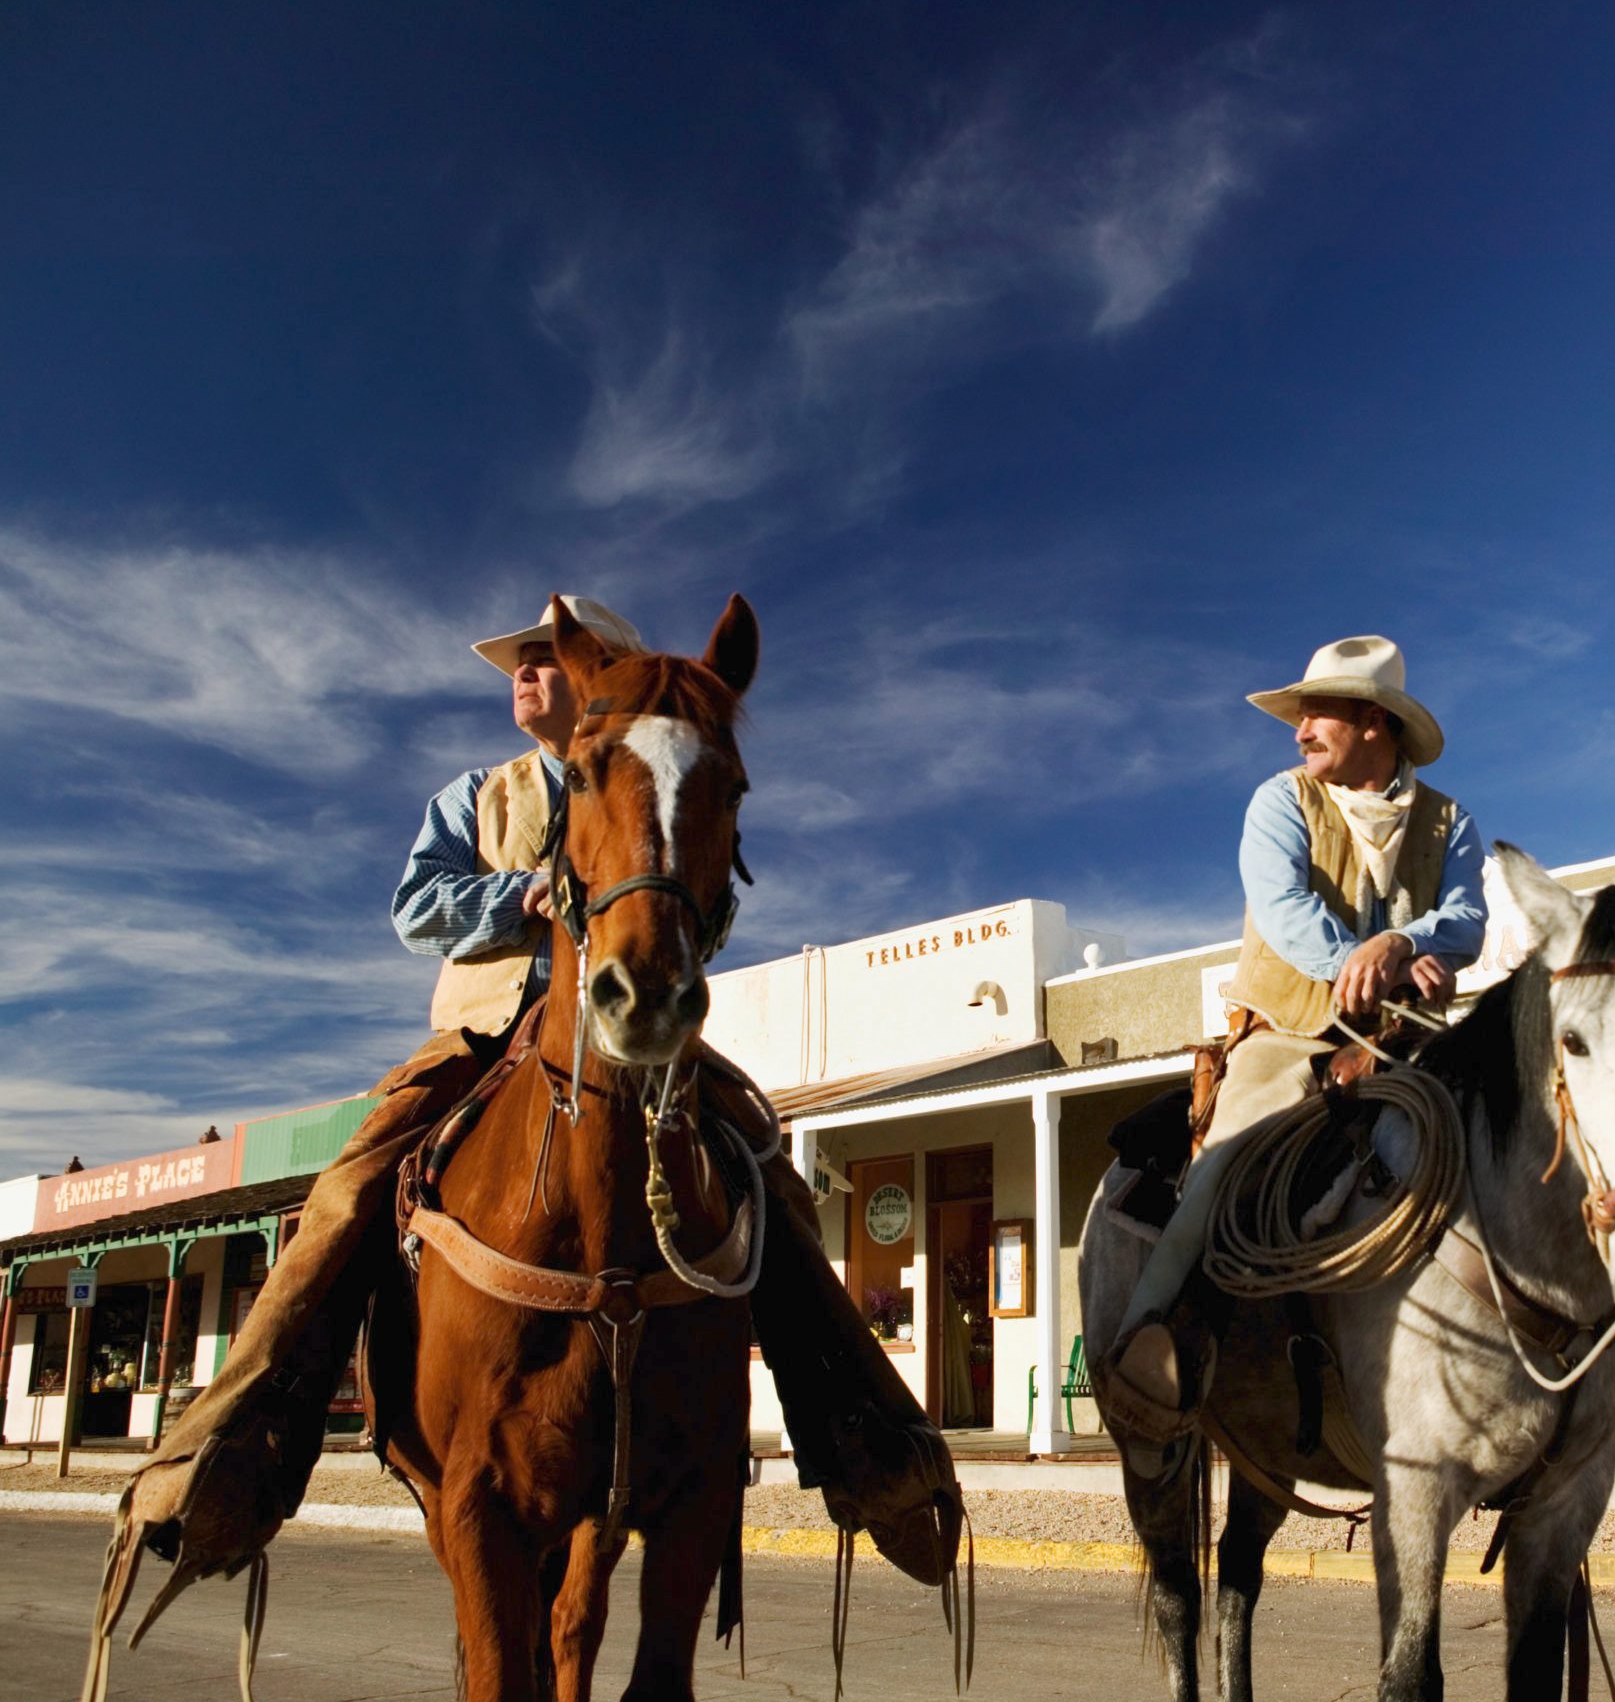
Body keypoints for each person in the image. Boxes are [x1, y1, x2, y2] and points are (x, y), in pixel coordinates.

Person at [108, 596, 960, 1599]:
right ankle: (231, 1452)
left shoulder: (663, 768)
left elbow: (708, 898)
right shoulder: (479, 795)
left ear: (604, 672)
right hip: (481, 1038)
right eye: (518, 662)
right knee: (345, 1195)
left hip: (635, 1041)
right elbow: (415, 907)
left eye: (547, 660)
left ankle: (863, 1438)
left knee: (771, 1180)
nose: (525, 673)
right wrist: (516, 902)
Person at [1101, 635, 1487, 1453]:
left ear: (1374, 722)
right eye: (1299, 714)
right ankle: (1150, 1342)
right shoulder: (1279, 802)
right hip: (1289, 1032)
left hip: (1409, 1044)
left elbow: (1468, 919)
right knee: (1220, 1166)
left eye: (1318, 712)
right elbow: (1282, 908)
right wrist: (1369, 959)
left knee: (1515, 1149)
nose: (1300, 728)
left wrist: (1406, 941)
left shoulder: (1450, 819)